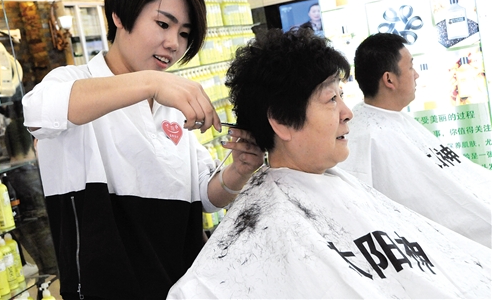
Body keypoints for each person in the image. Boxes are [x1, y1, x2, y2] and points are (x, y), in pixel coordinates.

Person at [167, 27, 491, 299]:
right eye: (331, 99)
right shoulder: (267, 226)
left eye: (341, 95)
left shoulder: (337, 183)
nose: (347, 113)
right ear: (281, 120)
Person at [22, 0, 263, 300]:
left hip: (180, 288)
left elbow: (203, 195)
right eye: (163, 25)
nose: (174, 44)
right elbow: (38, 113)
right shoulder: (74, 84)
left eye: (184, 33)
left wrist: (238, 170)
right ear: (119, 15)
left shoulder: (169, 103)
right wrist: (149, 82)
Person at [337, 32, 491, 248]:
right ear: (389, 79)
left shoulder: (397, 119)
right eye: (411, 67)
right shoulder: (365, 137)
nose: (416, 75)